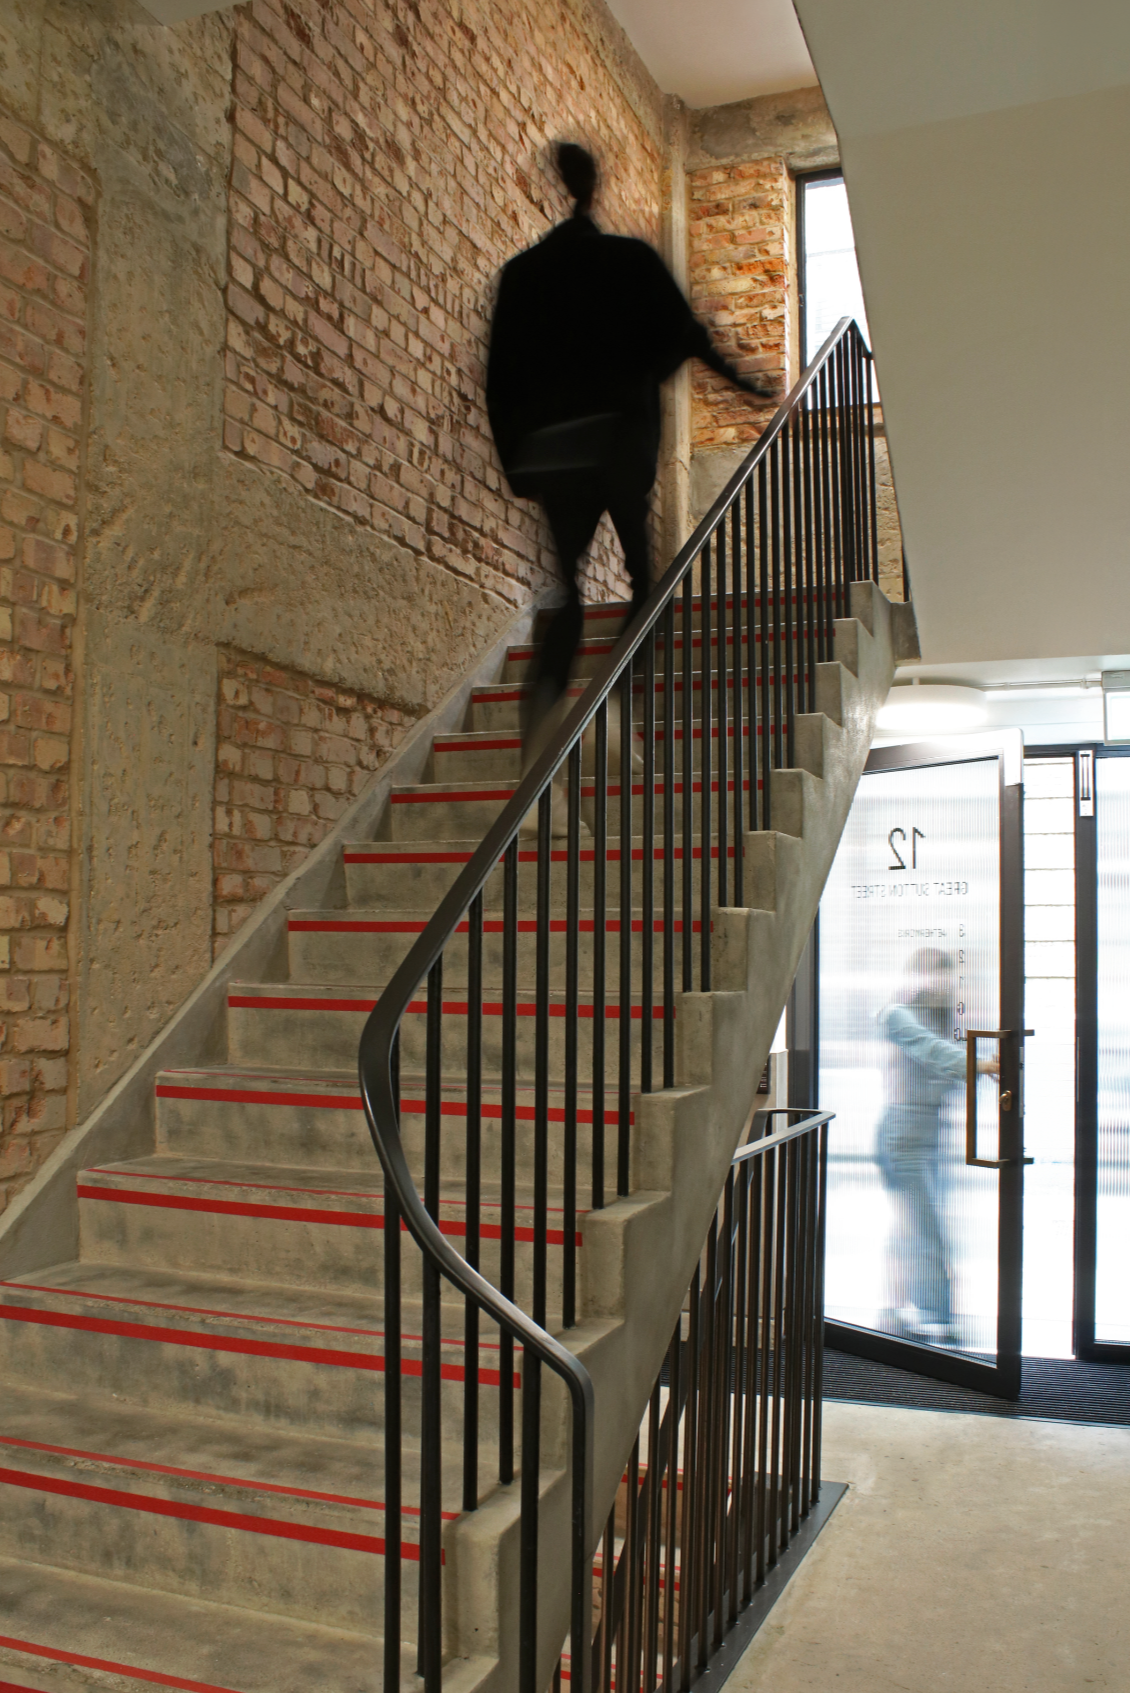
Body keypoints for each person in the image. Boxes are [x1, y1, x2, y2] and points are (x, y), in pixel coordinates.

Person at [486, 141, 775, 782]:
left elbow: (499, 377)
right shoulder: (628, 261)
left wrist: (519, 463)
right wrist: (747, 383)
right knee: (647, 590)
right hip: (617, 445)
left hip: (554, 454)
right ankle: (611, 706)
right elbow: (688, 336)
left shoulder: (525, 273)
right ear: (596, 188)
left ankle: (535, 758)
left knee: (569, 594)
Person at [875, 947, 998, 1347]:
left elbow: (946, 1067)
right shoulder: (895, 1014)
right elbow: (929, 1051)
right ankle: (938, 1322)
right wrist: (977, 1064)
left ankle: (894, 1309)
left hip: (929, 1133)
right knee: (927, 1229)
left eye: (946, 975)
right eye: (932, 974)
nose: (941, 983)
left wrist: (979, 1068)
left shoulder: (940, 1018)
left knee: (912, 1224)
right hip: (903, 1133)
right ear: (914, 975)